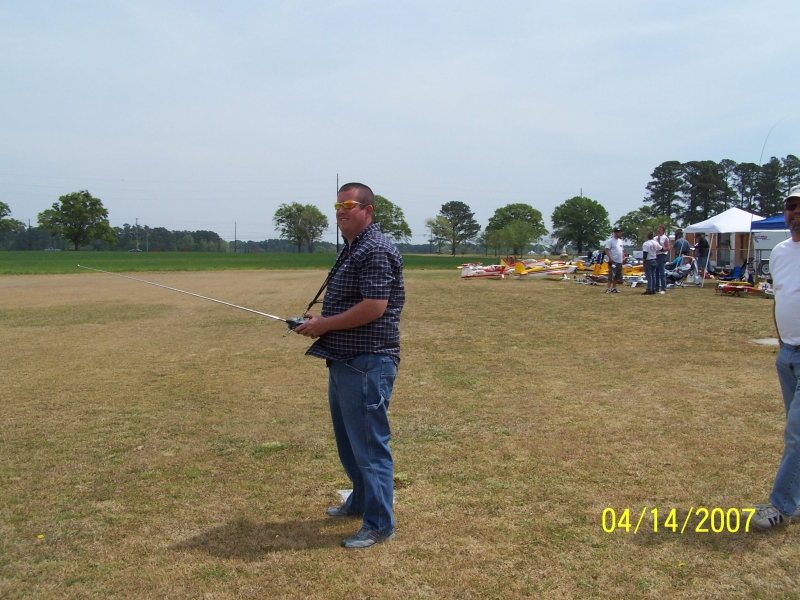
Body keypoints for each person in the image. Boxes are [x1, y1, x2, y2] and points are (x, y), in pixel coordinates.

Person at [295, 182, 405, 548]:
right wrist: (318, 321)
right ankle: (360, 500)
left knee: (370, 446)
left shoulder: (375, 249)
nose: (341, 212)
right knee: (350, 442)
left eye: (349, 205)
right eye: (337, 205)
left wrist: (324, 325)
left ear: (368, 210)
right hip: (344, 359)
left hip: (368, 361)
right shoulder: (353, 247)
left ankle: (380, 524)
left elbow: (374, 306)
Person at [751, 184, 800, 529]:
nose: (795, 212)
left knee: (797, 434)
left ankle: (782, 506)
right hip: (788, 354)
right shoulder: (780, 252)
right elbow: (780, 298)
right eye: (791, 206)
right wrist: (784, 342)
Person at [604, 228, 624, 294]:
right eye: (619, 232)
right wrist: (610, 258)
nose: (620, 233)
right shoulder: (610, 241)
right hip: (613, 261)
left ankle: (614, 288)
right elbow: (606, 249)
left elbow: (622, 250)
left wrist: (623, 257)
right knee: (611, 275)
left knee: (616, 276)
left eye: (620, 232)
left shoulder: (620, 241)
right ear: (615, 233)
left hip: (619, 261)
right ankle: (608, 288)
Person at [641, 231, 661, 295]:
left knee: (649, 276)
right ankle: (653, 289)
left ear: (647, 236)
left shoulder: (646, 244)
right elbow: (661, 248)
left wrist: (643, 261)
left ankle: (649, 289)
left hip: (648, 260)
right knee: (653, 276)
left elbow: (645, 254)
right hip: (654, 259)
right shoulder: (655, 243)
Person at [655, 225, 670, 294]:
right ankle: (656, 288)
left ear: (663, 231)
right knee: (656, 273)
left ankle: (663, 288)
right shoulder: (655, 238)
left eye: (660, 229)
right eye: (658, 229)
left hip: (662, 256)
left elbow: (668, 248)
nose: (658, 230)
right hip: (656, 256)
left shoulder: (665, 238)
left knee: (662, 272)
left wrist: (661, 250)